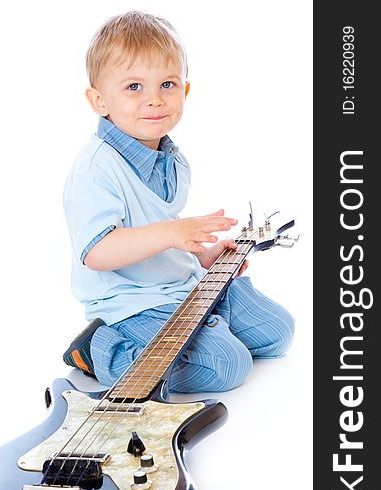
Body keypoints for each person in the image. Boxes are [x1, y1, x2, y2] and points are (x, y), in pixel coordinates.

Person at [62, 10, 294, 393]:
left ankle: (208, 327)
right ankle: (97, 348)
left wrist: (201, 256)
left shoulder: (172, 160)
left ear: (185, 91)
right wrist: (173, 232)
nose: (154, 99)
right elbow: (97, 252)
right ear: (99, 100)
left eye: (167, 84)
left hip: (181, 285)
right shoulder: (94, 170)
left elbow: (157, 235)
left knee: (277, 332)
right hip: (132, 305)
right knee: (227, 366)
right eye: (134, 87)